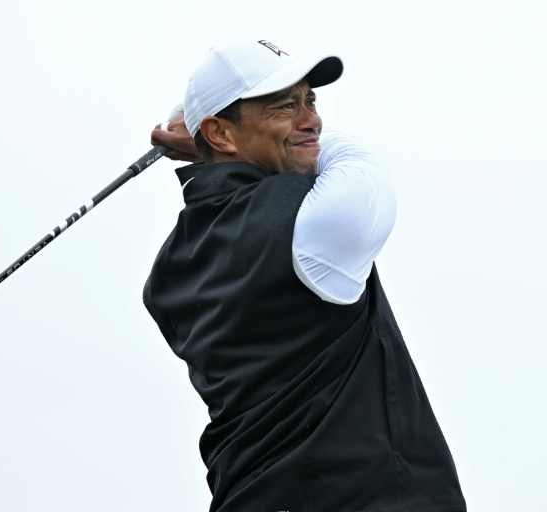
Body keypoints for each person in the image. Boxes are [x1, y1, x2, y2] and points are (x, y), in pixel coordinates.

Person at [143, 39, 466, 512]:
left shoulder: (169, 271)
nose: (312, 120)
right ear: (221, 133)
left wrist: (216, 138)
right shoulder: (312, 219)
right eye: (285, 106)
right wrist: (203, 139)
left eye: (310, 101)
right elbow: (363, 163)